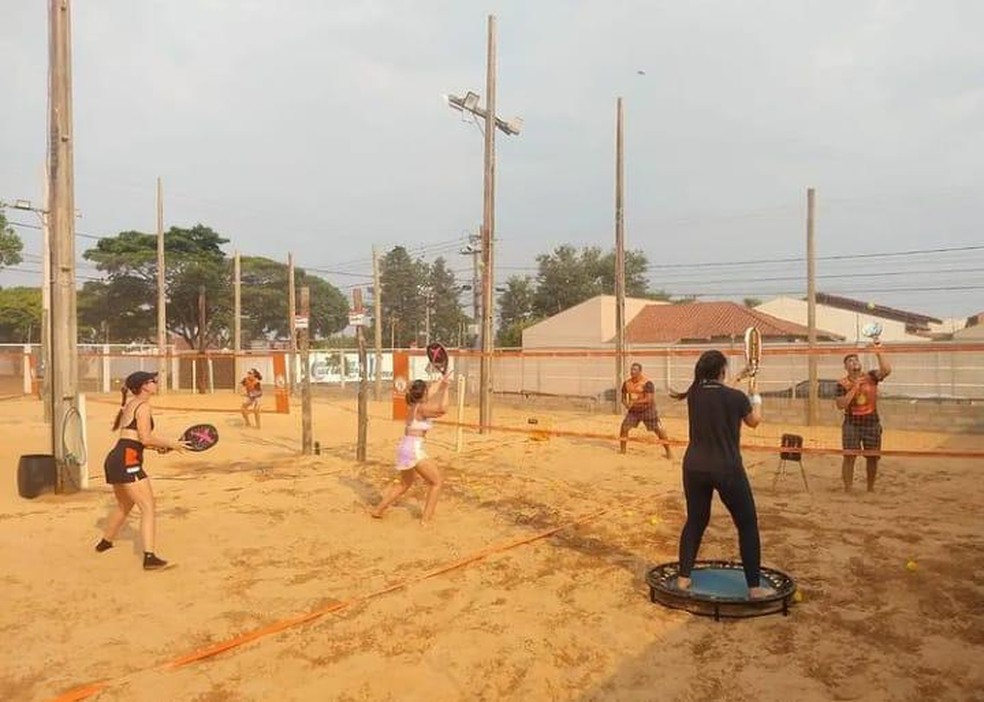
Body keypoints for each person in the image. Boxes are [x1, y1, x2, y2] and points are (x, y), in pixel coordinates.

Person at [670, 350, 773, 599]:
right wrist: (755, 396)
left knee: (696, 521)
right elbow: (754, 421)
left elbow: (719, 393)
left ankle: (683, 579)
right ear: (721, 371)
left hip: (694, 467)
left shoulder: (694, 394)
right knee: (747, 524)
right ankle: (754, 588)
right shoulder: (736, 398)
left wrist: (740, 377)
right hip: (727, 468)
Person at [95, 371, 187, 570]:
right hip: (128, 459)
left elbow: (135, 438)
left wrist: (161, 447)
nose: (156, 383)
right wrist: (171, 443)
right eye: (152, 381)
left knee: (124, 504)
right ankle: (149, 557)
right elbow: (145, 438)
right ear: (144, 386)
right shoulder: (144, 407)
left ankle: (105, 542)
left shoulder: (132, 404)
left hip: (116, 457)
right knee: (148, 508)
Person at [370, 372, 451, 525]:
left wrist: (441, 382)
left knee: (404, 484)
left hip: (404, 447)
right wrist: (446, 389)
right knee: (437, 482)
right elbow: (443, 409)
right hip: (414, 448)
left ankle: (378, 510)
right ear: (423, 394)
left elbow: (430, 392)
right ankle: (425, 521)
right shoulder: (422, 408)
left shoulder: (413, 404)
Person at [836, 341, 891, 492]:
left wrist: (878, 351)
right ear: (846, 367)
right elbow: (841, 404)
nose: (854, 362)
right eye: (850, 361)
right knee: (849, 457)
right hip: (852, 424)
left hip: (871, 423)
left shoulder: (871, 376)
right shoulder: (842, 383)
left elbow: (886, 370)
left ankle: (870, 488)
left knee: (872, 458)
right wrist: (855, 387)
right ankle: (848, 489)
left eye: (856, 359)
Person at [619, 362, 673, 459]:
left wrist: (635, 403)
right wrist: (626, 404)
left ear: (640, 371)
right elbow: (623, 397)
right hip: (634, 412)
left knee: (658, 430)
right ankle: (623, 451)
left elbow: (649, 399)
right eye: (631, 369)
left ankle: (668, 451)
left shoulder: (647, 383)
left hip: (647, 410)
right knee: (624, 428)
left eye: (635, 370)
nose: (632, 372)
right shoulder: (626, 383)